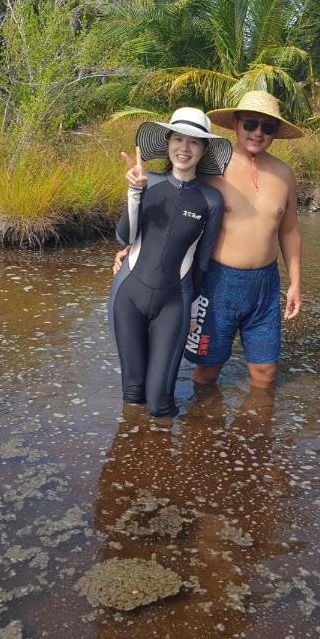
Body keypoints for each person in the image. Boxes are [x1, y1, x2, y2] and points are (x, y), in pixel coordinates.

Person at [116, 90, 304, 391]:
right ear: (236, 124)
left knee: (266, 373)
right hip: (218, 283)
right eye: (250, 124)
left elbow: (289, 231)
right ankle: (200, 431)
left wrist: (295, 283)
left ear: (275, 134)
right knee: (206, 370)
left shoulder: (284, 175)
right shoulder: (211, 170)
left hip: (266, 285)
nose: (258, 133)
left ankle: (255, 437)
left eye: (267, 128)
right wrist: (132, 248)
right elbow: (173, 210)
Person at [108, 108, 232, 417]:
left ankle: (167, 459)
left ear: (204, 150)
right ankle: (130, 456)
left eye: (194, 142)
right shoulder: (147, 181)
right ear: (167, 142)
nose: (184, 148)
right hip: (128, 295)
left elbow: (202, 263)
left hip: (174, 302)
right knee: (133, 393)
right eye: (178, 139)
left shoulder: (211, 200)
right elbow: (124, 236)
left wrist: (192, 310)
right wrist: (134, 192)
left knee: (160, 401)